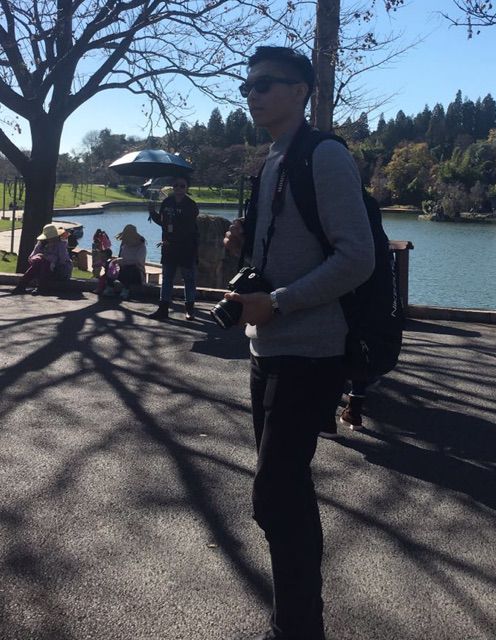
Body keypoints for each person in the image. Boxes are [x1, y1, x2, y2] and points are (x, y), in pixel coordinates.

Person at [223, 46, 374, 640]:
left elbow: (357, 258)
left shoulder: (324, 155)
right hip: (267, 348)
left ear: (300, 91)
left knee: (275, 495)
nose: (253, 95)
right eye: (247, 86)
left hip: (310, 350)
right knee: (285, 492)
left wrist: (281, 301)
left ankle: (297, 628)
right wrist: (245, 248)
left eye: (265, 84)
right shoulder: (271, 160)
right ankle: (300, 623)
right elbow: (290, 251)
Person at [148, 176, 199, 321]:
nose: (178, 188)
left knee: (188, 279)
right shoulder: (167, 202)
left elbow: (188, 228)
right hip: (169, 247)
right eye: (176, 185)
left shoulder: (191, 205)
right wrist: (152, 212)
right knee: (167, 278)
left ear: (187, 188)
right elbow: (163, 223)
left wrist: (172, 239)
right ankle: (163, 309)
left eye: (182, 186)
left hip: (186, 248)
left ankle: (190, 309)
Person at [11, 223, 72, 294]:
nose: (51, 239)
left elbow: (62, 261)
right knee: (39, 262)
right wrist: (38, 257)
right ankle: (21, 286)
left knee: (45, 262)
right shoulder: (40, 244)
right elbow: (31, 257)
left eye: (52, 236)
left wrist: (47, 258)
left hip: (59, 270)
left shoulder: (61, 245)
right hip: (41, 269)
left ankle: (41, 287)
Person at [102, 224, 147, 300]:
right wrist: (115, 261)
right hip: (123, 270)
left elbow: (137, 260)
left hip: (136, 273)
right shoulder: (125, 246)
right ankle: (110, 287)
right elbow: (122, 257)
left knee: (130, 267)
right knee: (109, 263)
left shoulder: (142, 247)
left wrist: (123, 261)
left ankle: (126, 289)